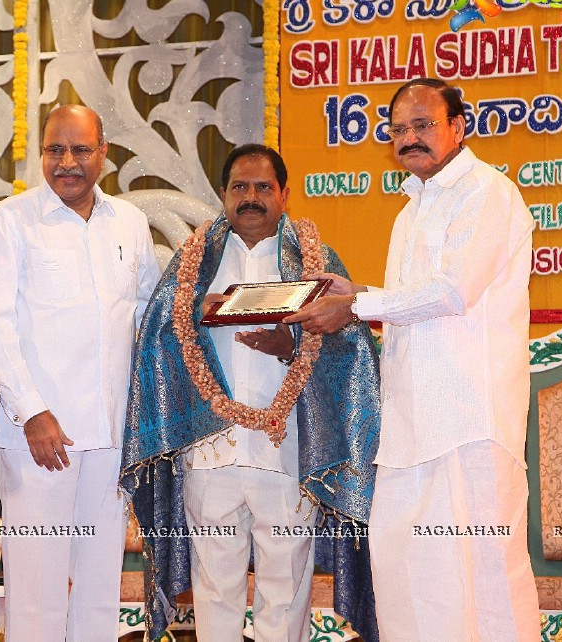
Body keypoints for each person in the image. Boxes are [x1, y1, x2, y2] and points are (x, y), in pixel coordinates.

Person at [287, 78, 540, 640]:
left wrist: (358, 304)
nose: (409, 138)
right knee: (409, 577)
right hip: (410, 427)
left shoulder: (487, 194)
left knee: (482, 579)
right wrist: (360, 292)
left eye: (423, 125)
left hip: (468, 423)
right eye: (399, 129)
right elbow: (413, 304)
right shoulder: (411, 209)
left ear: (458, 126)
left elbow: (453, 291)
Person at [122, 144, 381, 641]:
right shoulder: (192, 266)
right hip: (211, 451)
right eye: (240, 187)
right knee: (214, 591)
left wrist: (292, 346)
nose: (251, 197)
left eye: (264, 187)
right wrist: (195, 313)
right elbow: (155, 337)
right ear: (223, 194)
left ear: (285, 194)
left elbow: (353, 352)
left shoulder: (315, 261)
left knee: (284, 591)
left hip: (286, 452)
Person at [0, 104, 160, 641]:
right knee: (37, 593)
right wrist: (32, 412)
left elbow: (148, 314)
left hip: (111, 437)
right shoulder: (10, 222)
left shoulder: (130, 222)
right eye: (56, 149)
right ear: (41, 154)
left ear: (104, 153)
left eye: (81, 149)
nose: (68, 162)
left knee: (101, 589)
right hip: (40, 438)